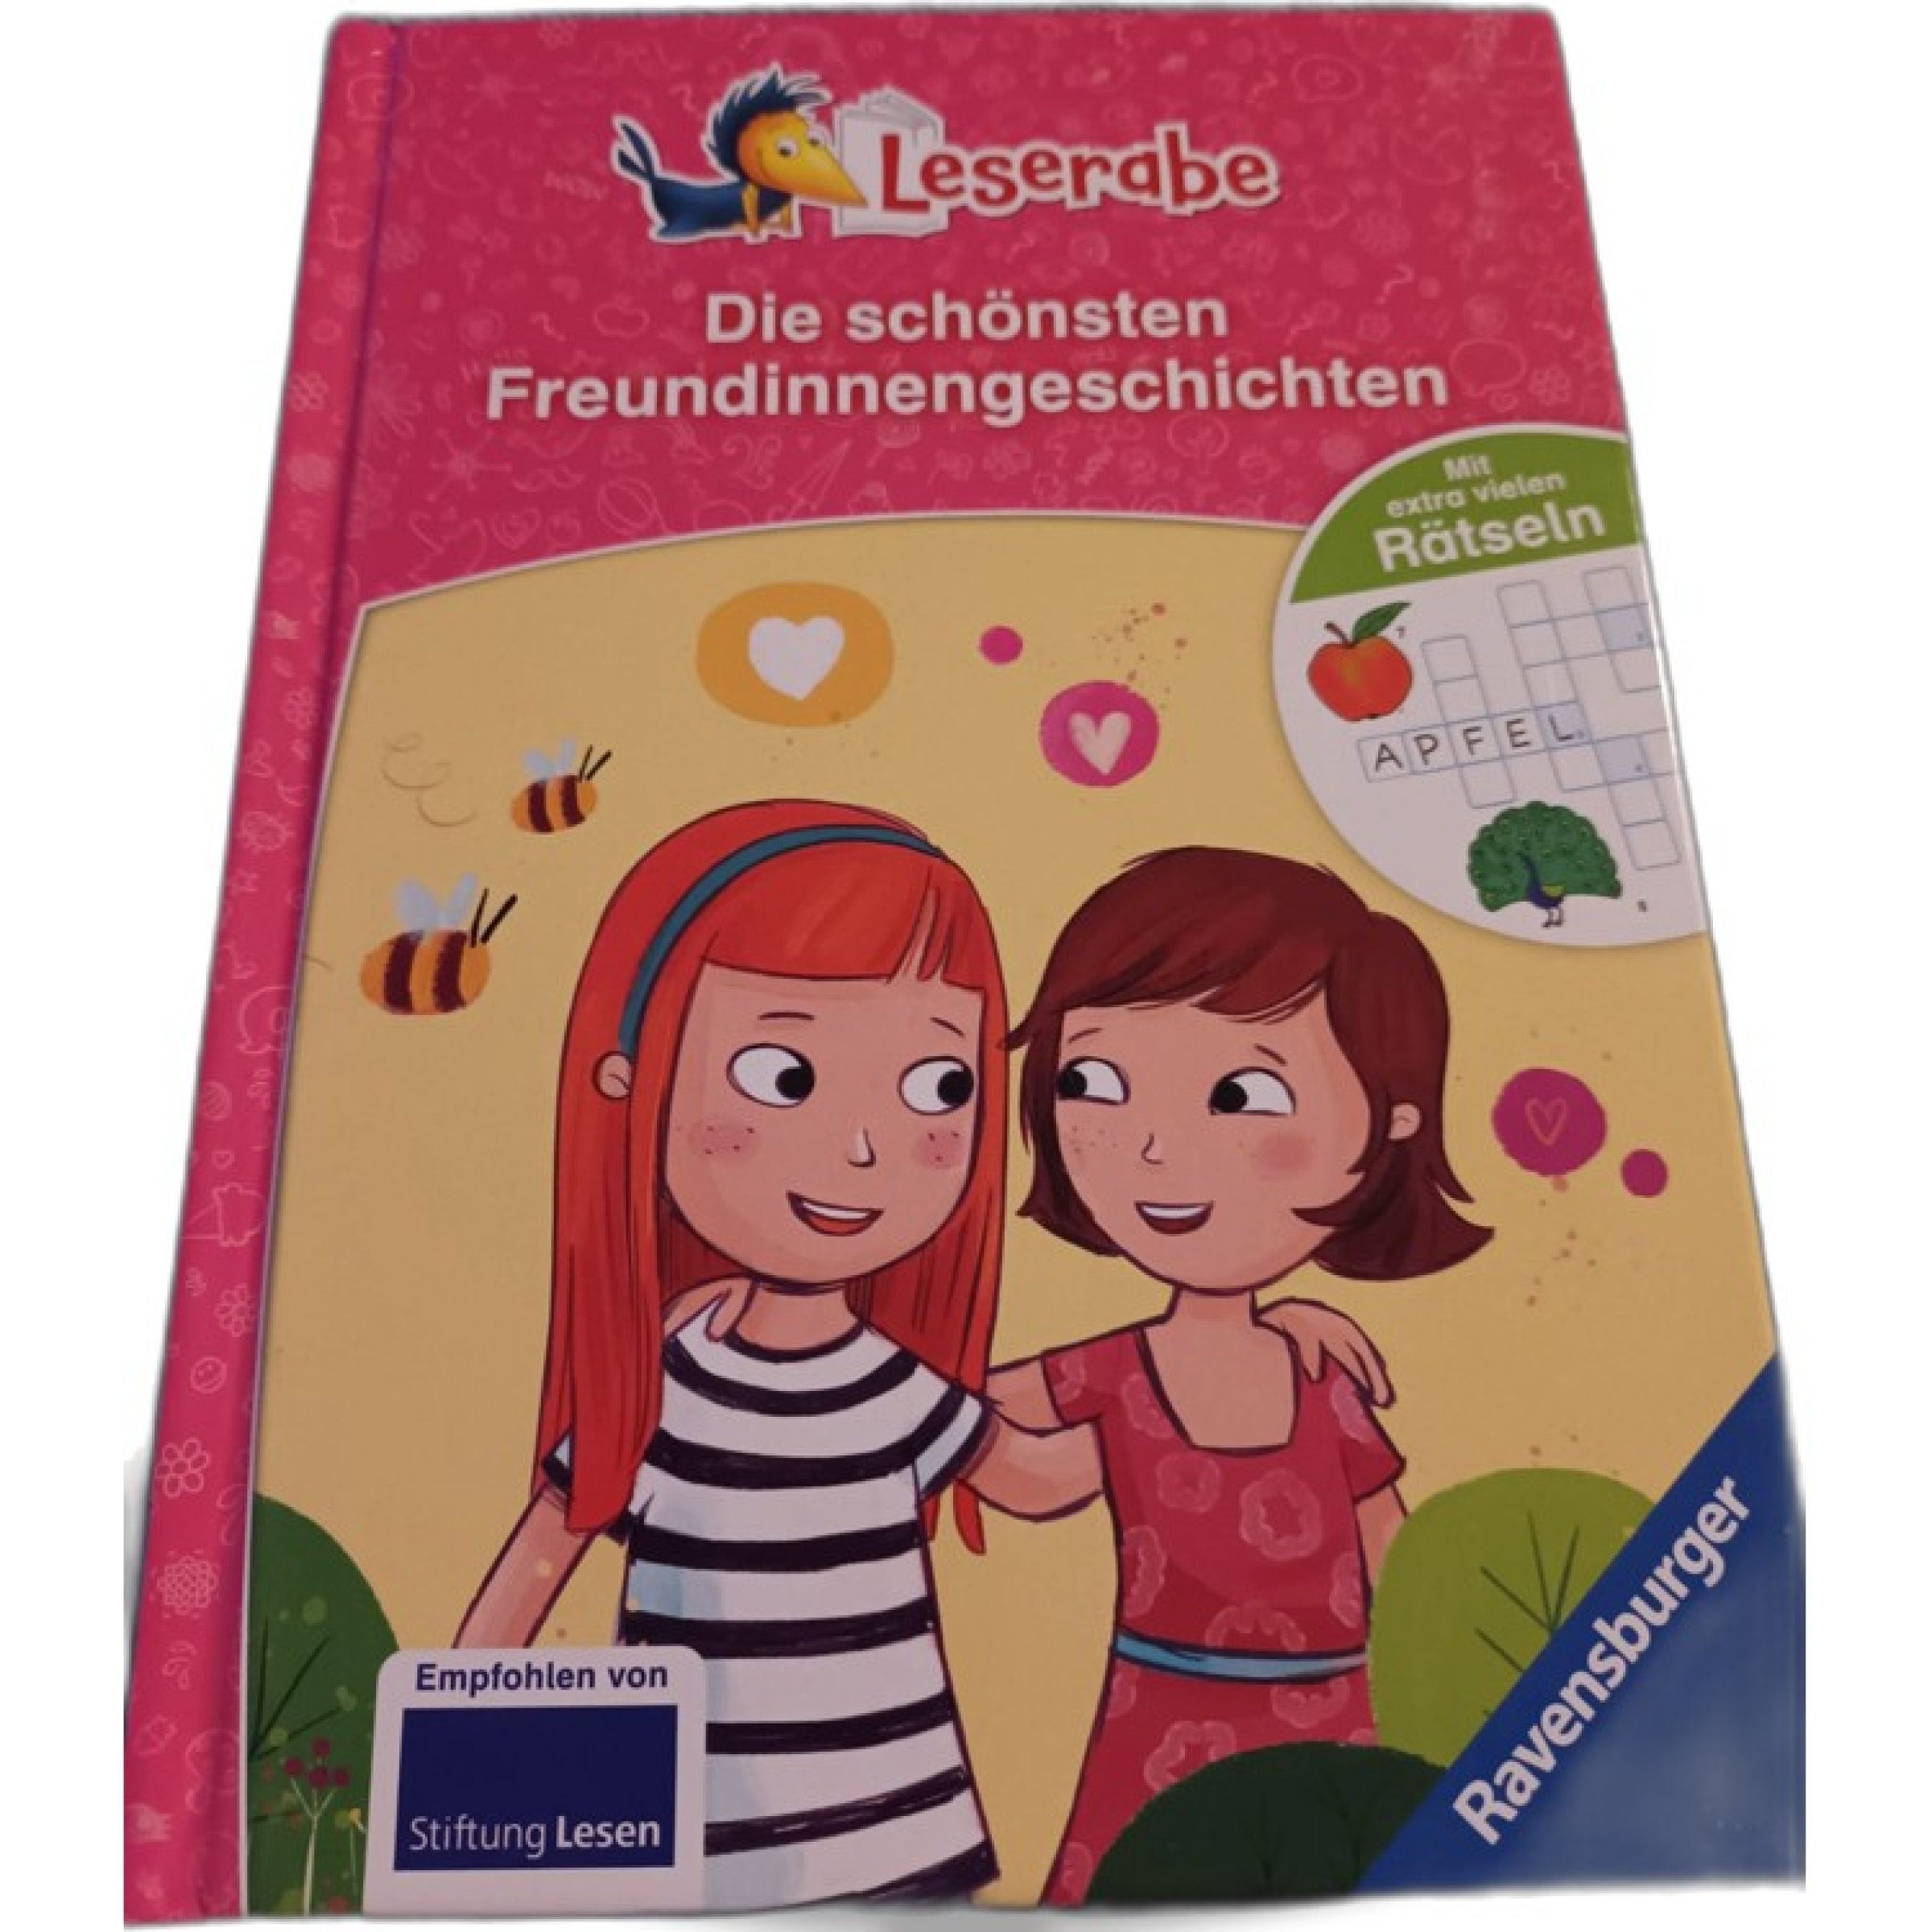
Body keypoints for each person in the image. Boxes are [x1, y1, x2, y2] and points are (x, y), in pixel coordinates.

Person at [993, 847, 1492, 1901]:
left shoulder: (1322, 1377)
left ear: (1392, 1119)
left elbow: (1392, 1551)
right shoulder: (1112, 1371)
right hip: (1157, 1726)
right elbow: (1013, 1458)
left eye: (1243, 1093)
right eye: (1092, 1082)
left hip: (1336, 1724)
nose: (1154, 1149)